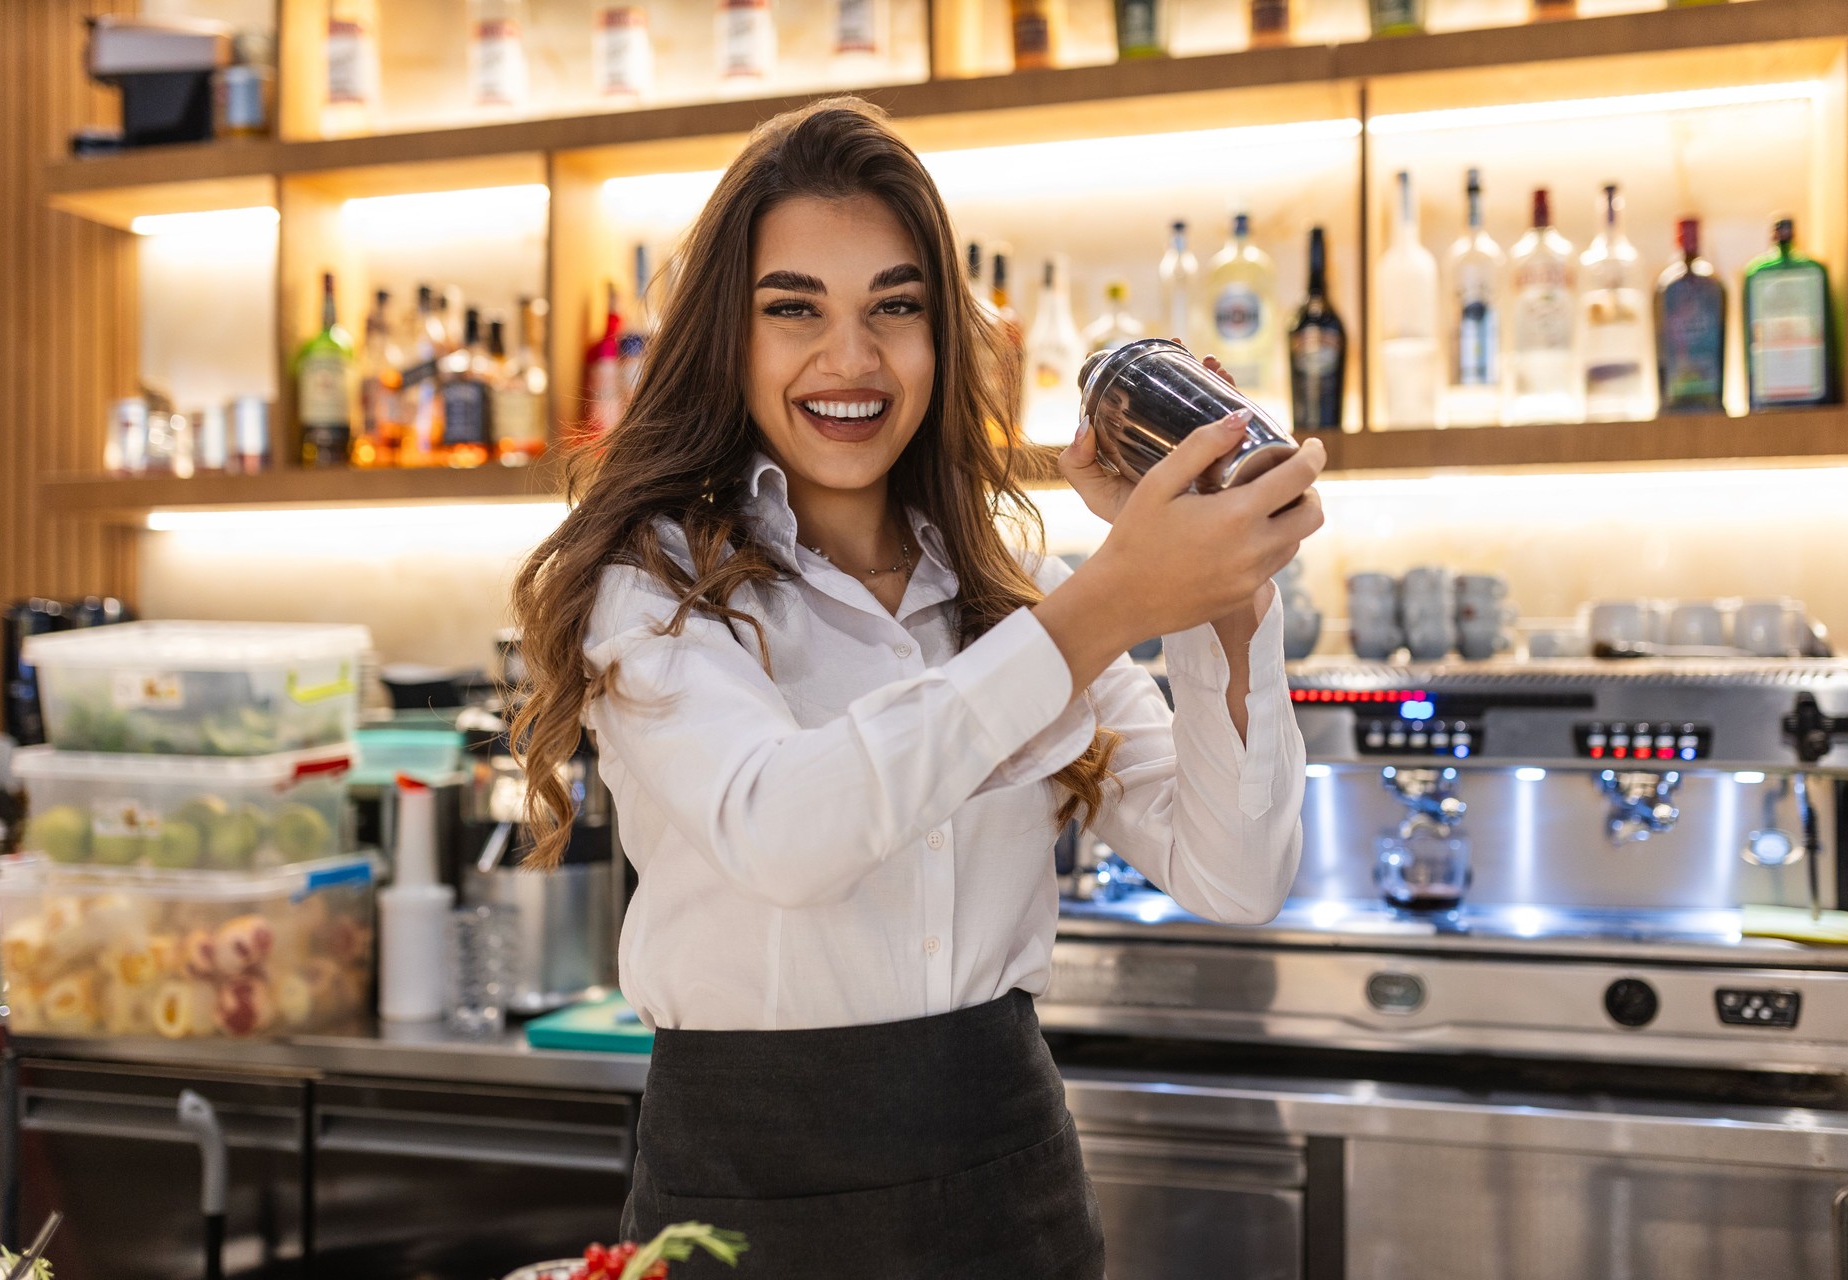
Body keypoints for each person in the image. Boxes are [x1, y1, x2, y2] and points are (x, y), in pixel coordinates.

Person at [509, 96, 1324, 1278]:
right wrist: (1107, 606)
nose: (853, 358)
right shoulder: (656, 587)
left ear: (946, 340)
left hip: (1014, 1189)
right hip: (749, 1194)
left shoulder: (1015, 596)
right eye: (796, 310)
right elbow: (786, 830)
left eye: (896, 307)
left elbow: (1236, 873)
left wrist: (1223, 594)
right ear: (725, 339)